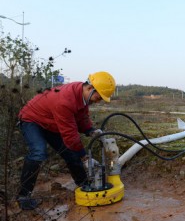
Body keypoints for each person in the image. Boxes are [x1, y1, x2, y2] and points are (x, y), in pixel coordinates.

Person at [17, 71, 116, 210]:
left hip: (51, 122)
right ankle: (23, 196)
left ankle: (84, 184)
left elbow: (81, 117)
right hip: (32, 119)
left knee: (70, 153)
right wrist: (85, 157)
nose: (97, 101)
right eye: (98, 97)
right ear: (90, 88)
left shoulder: (81, 95)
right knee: (38, 152)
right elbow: (70, 134)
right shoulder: (65, 100)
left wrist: (90, 130)